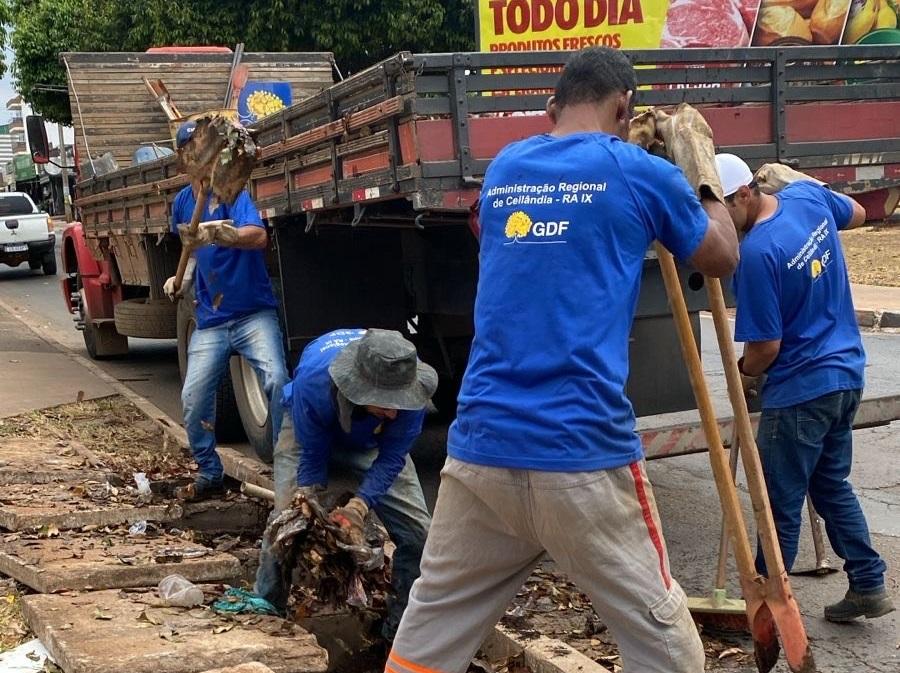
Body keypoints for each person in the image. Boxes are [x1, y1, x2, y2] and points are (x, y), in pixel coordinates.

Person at [385, 47, 738, 673]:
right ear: (625, 108)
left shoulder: (506, 168)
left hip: (481, 448)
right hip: (581, 452)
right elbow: (719, 256)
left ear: (553, 108)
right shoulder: (636, 170)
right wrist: (700, 175)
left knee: (431, 631)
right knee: (668, 645)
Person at [715, 153, 894, 623]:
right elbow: (855, 213)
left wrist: (742, 371)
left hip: (800, 391)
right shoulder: (806, 196)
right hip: (846, 374)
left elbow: (765, 349)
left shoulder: (756, 255)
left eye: (722, 209)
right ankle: (869, 583)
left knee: (778, 503)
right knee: (829, 484)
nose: (719, 222)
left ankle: (767, 613)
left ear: (745, 194)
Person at [255, 328, 436, 642]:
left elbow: (393, 456)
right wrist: (307, 500)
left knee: (420, 533)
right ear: (359, 387)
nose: (394, 411)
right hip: (306, 427)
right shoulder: (315, 382)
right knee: (285, 521)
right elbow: (312, 452)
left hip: (373, 439)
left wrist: (359, 506)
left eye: (399, 403)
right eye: (385, 403)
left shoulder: (409, 386)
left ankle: (398, 632)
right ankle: (267, 613)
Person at [164, 119, 287, 500]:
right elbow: (194, 255)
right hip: (212, 321)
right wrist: (179, 280)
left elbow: (259, 236)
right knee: (193, 397)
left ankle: (287, 464)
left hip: (253, 313)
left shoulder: (234, 194)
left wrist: (218, 231)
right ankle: (209, 470)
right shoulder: (183, 204)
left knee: (278, 381)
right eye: (191, 155)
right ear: (185, 161)